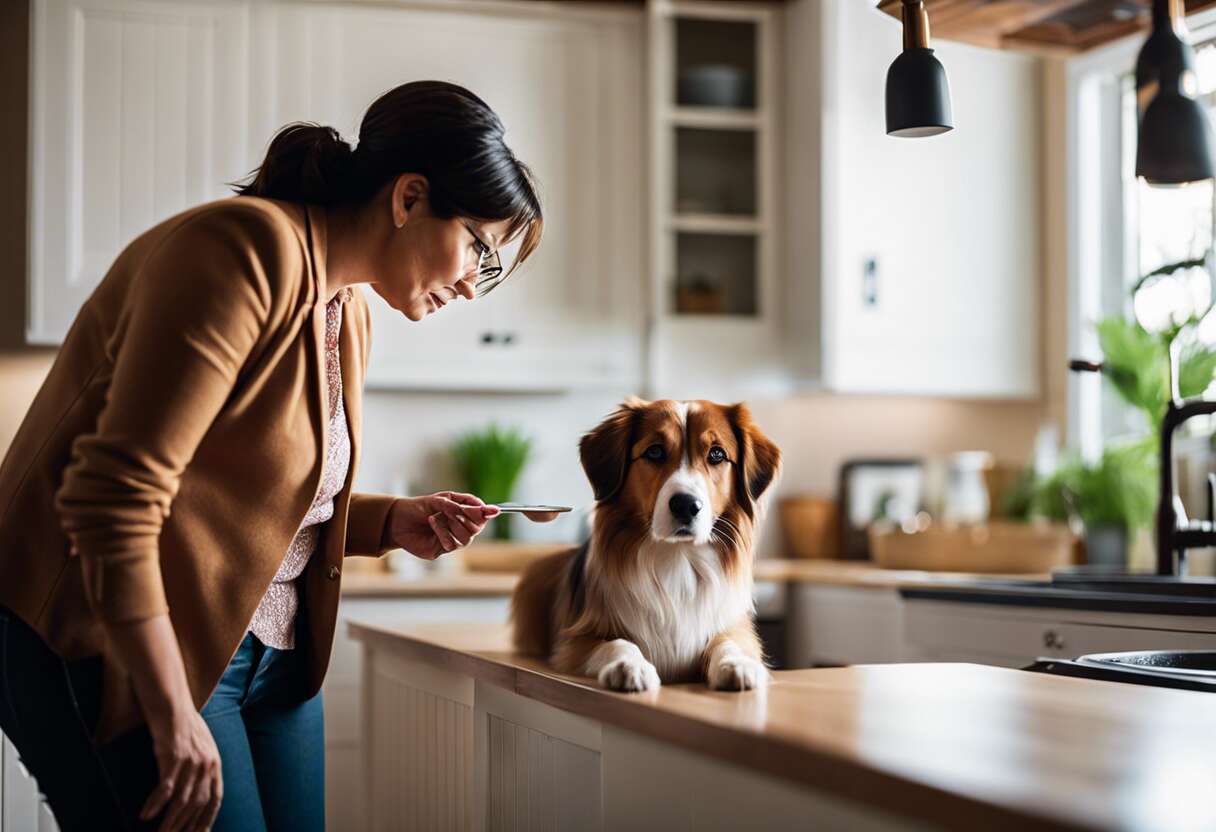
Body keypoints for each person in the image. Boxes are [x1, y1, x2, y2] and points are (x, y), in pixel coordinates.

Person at [0, 80, 553, 831]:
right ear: (410, 198)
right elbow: (113, 500)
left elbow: (248, 499)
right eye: (481, 251)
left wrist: (391, 522)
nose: (472, 283)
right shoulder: (241, 251)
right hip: (106, 634)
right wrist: (168, 710)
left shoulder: (349, 307)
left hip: (271, 651)